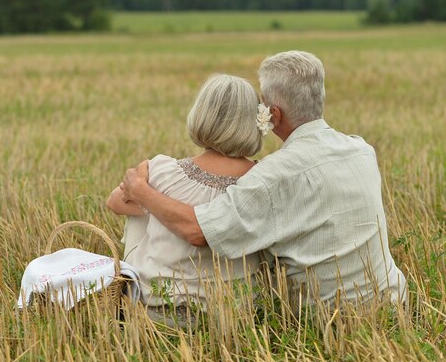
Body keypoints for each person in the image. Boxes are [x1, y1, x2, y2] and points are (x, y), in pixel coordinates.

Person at [120, 51, 407, 308]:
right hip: (394, 301)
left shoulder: (275, 174)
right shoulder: (362, 150)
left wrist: (141, 191)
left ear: (274, 115)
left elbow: (198, 231)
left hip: (332, 319)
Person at [107, 74, 266, 319]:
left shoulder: (161, 171)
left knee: (141, 211)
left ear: (201, 116)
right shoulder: (263, 179)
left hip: (159, 310)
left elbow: (114, 203)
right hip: (232, 315)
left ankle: (140, 286)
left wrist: (142, 189)